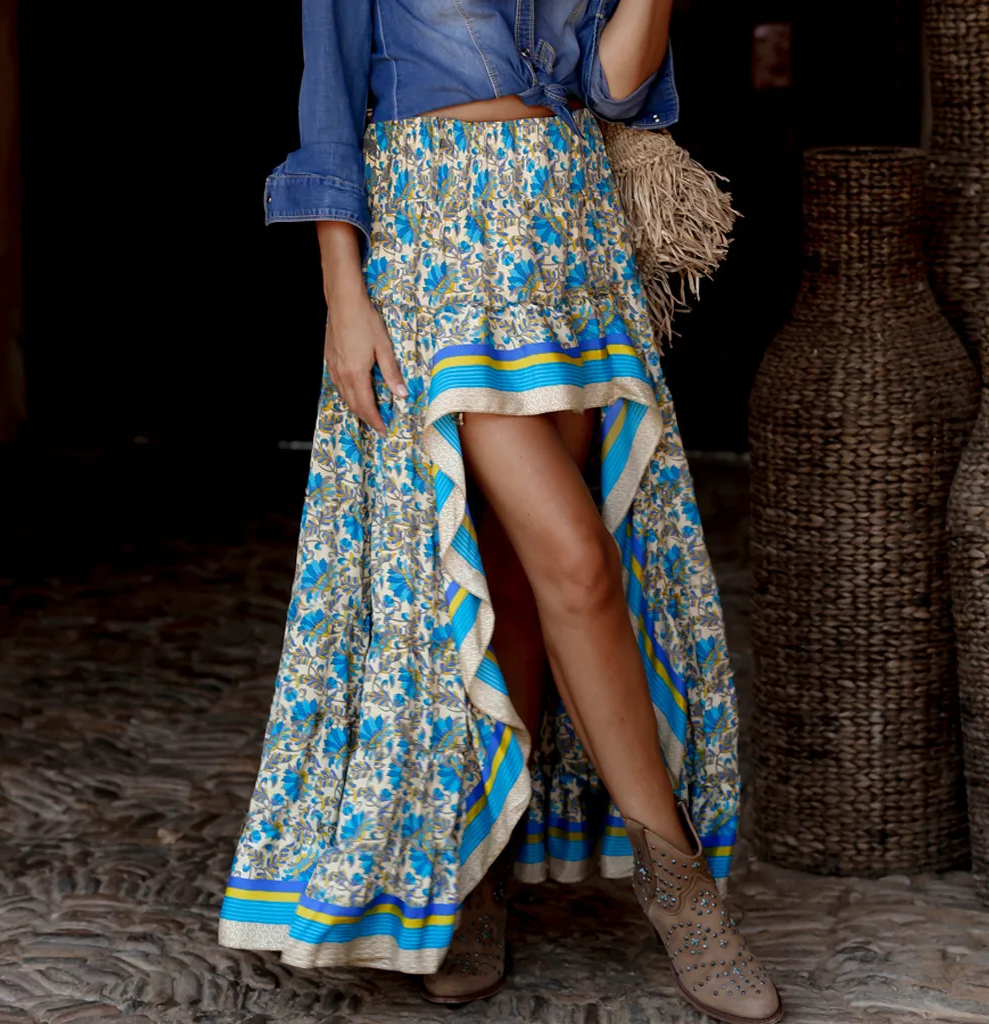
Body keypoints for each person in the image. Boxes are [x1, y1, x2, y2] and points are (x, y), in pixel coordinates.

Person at [219, 3, 783, 1023]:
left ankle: (481, 866)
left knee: (520, 577)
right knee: (578, 561)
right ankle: (682, 890)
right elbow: (329, 105)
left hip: (567, 238)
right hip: (434, 240)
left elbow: (616, 89)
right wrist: (345, 296)